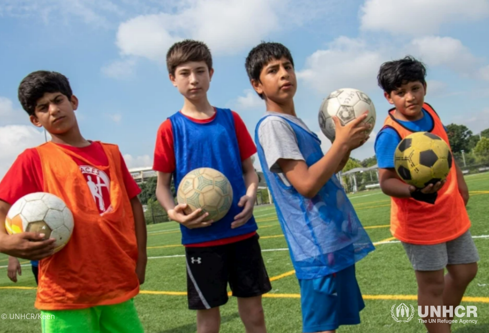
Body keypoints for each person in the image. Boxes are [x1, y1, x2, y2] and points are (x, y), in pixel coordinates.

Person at [0, 71, 147, 332]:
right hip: (64, 294)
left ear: (73, 101)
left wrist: (141, 260)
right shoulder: (33, 159)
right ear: (34, 119)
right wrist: (2, 240)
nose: (53, 110)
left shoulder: (111, 153)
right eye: (43, 107)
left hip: (116, 283)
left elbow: (134, 205)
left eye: (57, 100)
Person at [247, 42, 375, 333]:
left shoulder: (295, 122)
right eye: (272, 70)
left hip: (332, 237)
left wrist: (344, 147)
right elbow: (305, 184)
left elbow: (326, 173)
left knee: (331, 325)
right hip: (315, 246)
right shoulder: (273, 125)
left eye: (287, 67)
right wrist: (340, 143)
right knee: (321, 328)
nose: (284, 74)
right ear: (257, 85)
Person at [154, 40, 271, 333]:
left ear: (211, 73)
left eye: (200, 71)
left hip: (241, 230)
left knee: (255, 312)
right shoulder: (170, 128)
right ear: (172, 79)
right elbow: (162, 187)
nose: (193, 79)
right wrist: (173, 213)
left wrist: (251, 194)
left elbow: (249, 171)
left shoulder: (231, 119)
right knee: (208, 319)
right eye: (184, 73)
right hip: (200, 240)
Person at [374, 56, 478, 333]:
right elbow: (385, 182)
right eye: (401, 92)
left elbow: (446, 153)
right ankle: (438, 326)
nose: (410, 97)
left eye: (415, 88)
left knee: (466, 271)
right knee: (431, 285)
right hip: (419, 222)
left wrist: (462, 186)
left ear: (425, 87)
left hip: (450, 211)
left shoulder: (431, 112)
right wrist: (412, 190)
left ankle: (440, 322)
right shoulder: (389, 134)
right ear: (389, 96)